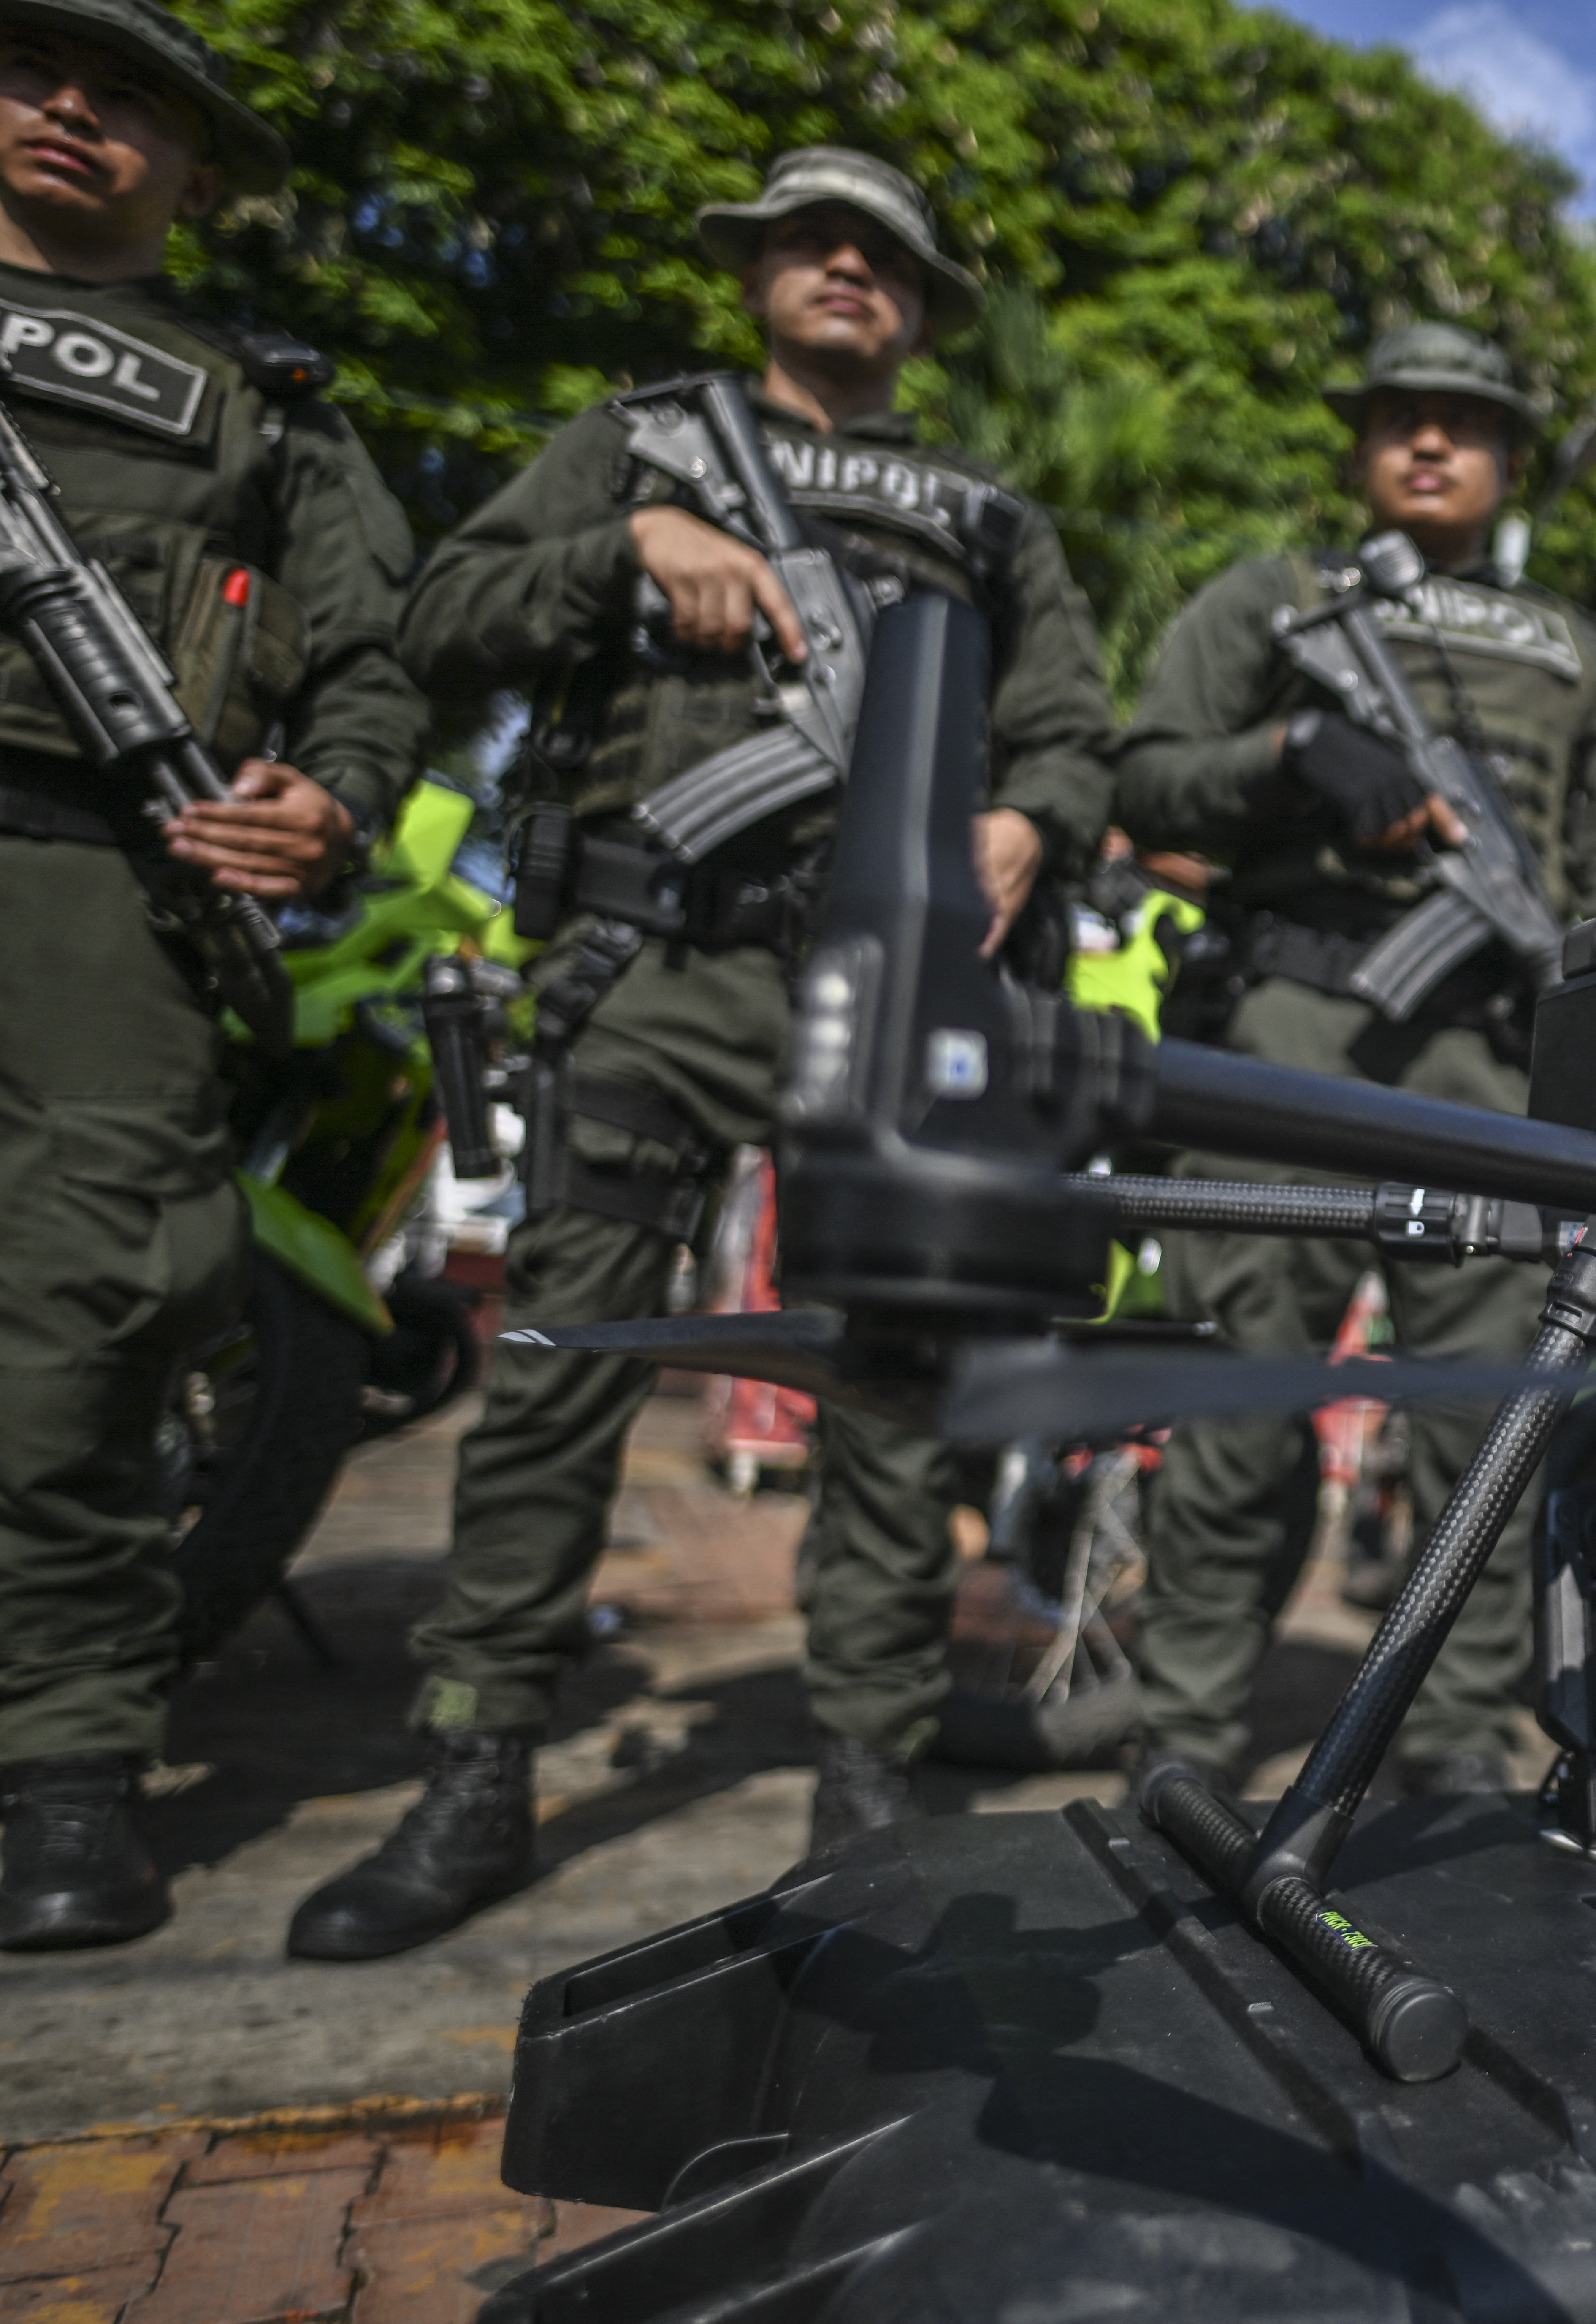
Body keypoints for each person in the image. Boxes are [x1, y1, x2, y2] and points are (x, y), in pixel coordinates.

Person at [285, 148, 1115, 1960]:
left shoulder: (984, 511)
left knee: (890, 1381)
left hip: (886, 988)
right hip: (652, 961)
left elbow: (1069, 723)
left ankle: (870, 1771)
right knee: (572, 1350)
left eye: (882, 253)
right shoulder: (638, 442)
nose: (845, 268)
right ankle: (480, 1751)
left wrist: (1033, 820)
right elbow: (437, 615)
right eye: (812, 243)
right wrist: (623, 551)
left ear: (916, 300)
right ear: (756, 273)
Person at [0, 0, 427, 1950]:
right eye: (35, 73)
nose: (75, 112)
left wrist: (331, 805)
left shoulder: (269, 402)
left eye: (134, 100)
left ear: (193, 162)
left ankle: (64, 1766)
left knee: (92, 1309)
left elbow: (372, 662)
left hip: (110, 874)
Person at [1111, 321, 1596, 1793]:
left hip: (1494, 1060)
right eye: (1400, 418)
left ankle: (1448, 1751)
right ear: (1360, 449)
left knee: (1485, 1427)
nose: (1429, 443)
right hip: (1294, 1030)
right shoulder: (1275, 599)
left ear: (1503, 463)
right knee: (1242, 1396)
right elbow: (1148, 770)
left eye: (1463, 423)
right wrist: (1287, 753)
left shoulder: (1569, 648)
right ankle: (1184, 1737)